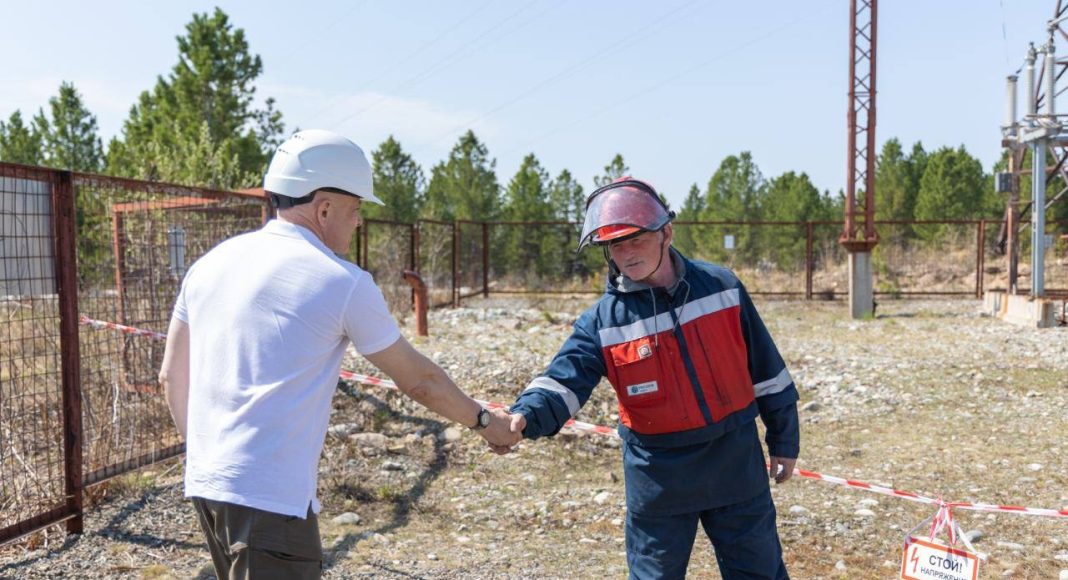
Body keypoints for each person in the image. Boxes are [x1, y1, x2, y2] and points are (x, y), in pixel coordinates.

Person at [159, 129, 521, 579]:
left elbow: (172, 376)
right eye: (355, 209)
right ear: (324, 208)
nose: (358, 222)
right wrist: (487, 423)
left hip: (207, 483)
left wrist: (206, 457)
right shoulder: (340, 280)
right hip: (269, 496)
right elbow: (419, 381)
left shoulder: (211, 263)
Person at [506, 177, 799, 579]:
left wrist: (784, 439)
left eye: (635, 239)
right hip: (658, 479)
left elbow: (767, 371)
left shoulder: (722, 288)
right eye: (614, 245)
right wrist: (524, 416)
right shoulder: (602, 323)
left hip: (735, 464)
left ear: (666, 232)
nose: (625, 253)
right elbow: (564, 379)